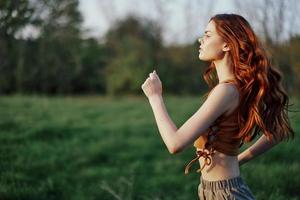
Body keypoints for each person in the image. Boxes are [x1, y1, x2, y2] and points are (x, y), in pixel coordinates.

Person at [141, 13, 295, 200]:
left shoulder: (226, 91)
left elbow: (175, 143)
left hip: (226, 194)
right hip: (212, 190)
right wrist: (239, 160)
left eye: (207, 35)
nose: (201, 40)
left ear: (227, 44)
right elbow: (277, 132)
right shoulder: (235, 87)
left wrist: (155, 97)